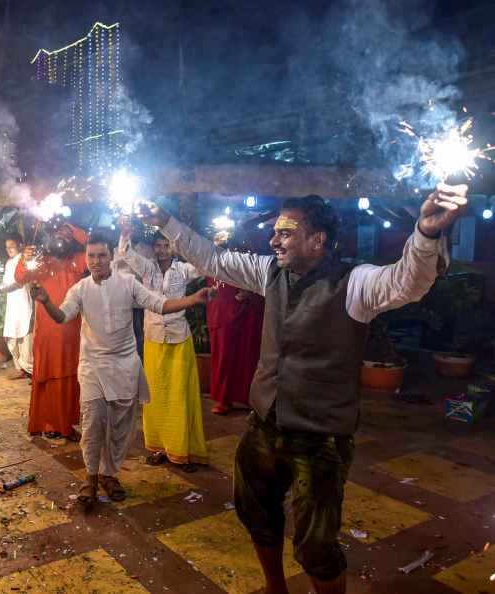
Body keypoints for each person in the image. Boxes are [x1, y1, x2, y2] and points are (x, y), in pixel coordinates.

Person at [142, 184, 468, 594]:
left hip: (321, 436)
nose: (273, 239)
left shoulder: (355, 283)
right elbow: (215, 259)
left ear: (318, 240)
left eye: (285, 232)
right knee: (256, 514)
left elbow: (407, 282)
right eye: (275, 232)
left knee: (316, 544)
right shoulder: (269, 272)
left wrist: (425, 233)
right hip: (265, 423)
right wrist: (164, 221)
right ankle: (276, 589)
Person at [31, 232, 212, 506]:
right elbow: (62, 316)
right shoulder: (80, 289)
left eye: (102, 255)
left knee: (120, 427)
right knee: (92, 424)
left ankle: (109, 474)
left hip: (125, 365)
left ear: (112, 257)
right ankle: (90, 479)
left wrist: (194, 299)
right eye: (91, 256)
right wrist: (45, 302)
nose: (96, 261)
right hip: (92, 366)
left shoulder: (127, 283)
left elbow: (159, 304)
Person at [118, 223, 208, 471]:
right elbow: (125, 254)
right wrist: (125, 233)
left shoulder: (183, 270)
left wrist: (187, 244)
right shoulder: (147, 269)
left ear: (173, 248)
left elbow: (204, 265)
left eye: (166, 245)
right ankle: (158, 448)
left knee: (180, 396)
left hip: (179, 338)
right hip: (154, 338)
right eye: (158, 246)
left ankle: (183, 450)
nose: (161, 250)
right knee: (154, 396)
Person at [15, 222, 87, 440]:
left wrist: (68, 226)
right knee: (49, 375)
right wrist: (25, 258)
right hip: (48, 331)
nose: (62, 239)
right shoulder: (42, 263)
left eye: (66, 235)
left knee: (69, 376)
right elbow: (20, 278)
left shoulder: (78, 260)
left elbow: (87, 241)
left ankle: (63, 423)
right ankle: (48, 423)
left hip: (72, 331)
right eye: (58, 235)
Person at [206, 234, 265, 415]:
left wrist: (249, 293)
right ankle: (224, 399)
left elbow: (259, 282)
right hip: (222, 315)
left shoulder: (247, 259)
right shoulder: (210, 260)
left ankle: (247, 397)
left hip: (247, 314)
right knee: (223, 358)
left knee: (248, 356)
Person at [0, 233, 33, 380]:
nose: (9, 249)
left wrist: (1, 289)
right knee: (11, 338)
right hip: (12, 304)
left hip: (24, 301)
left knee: (24, 338)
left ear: (20, 245)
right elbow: (6, 282)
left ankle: (30, 369)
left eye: (12, 246)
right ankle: (19, 368)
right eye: (7, 247)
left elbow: (19, 282)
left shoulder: (25, 260)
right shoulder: (9, 262)